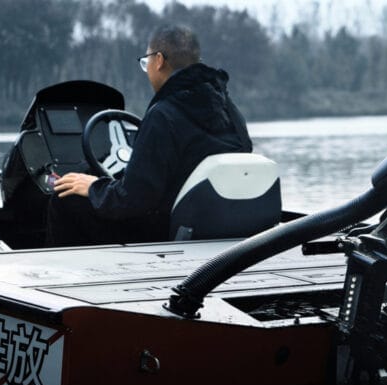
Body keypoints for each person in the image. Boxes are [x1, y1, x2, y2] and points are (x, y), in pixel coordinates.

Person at [48, 24, 252, 246]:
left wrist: (93, 186)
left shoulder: (164, 114)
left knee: (64, 198)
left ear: (159, 61)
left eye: (146, 63)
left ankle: (65, 276)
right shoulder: (228, 107)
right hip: (219, 223)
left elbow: (131, 200)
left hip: (165, 233)